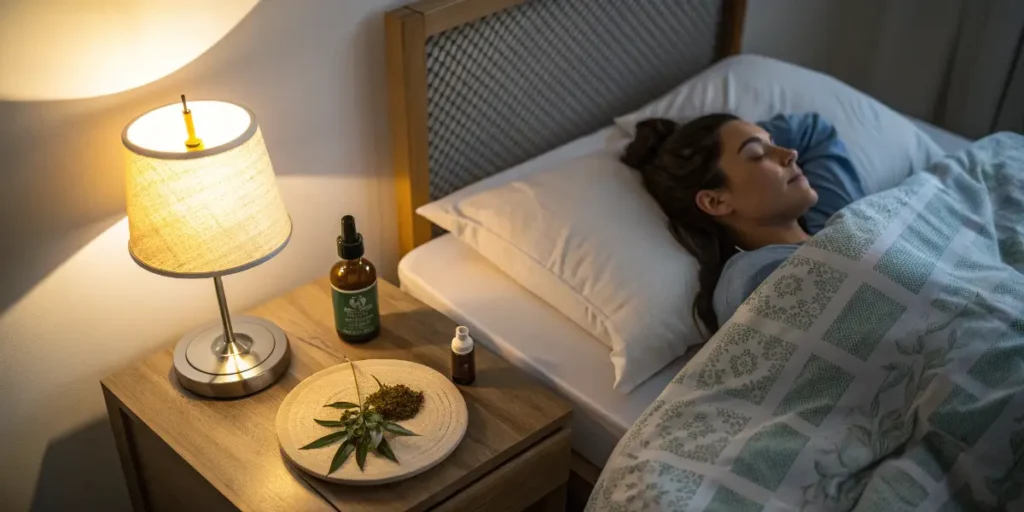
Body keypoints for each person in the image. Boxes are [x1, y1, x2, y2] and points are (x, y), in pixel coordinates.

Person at [621, 113, 865, 336]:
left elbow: (814, 131)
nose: (790, 153)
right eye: (757, 154)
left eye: (774, 142)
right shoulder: (754, 275)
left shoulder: (830, 221)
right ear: (715, 201)